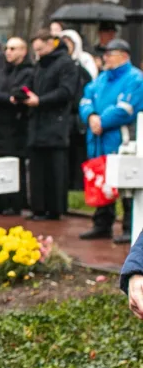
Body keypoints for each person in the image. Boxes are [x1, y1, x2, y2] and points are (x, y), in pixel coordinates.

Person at [78, 38, 143, 242]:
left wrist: (102, 121)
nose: (105, 57)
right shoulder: (101, 78)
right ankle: (102, 224)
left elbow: (126, 109)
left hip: (120, 138)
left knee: (125, 182)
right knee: (101, 178)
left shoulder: (135, 78)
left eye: (109, 53)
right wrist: (90, 117)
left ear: (124, 56)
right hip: (99, 138)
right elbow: (86, 99)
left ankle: (128, 226)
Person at [25, 29, 79, 221]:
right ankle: (38, 207)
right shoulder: (41, 64)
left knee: (54, 168)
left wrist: (40, 100)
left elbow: (66, 91)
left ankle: (54, 208)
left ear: (50, 43)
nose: (38, 53)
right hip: (37, 123)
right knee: (38, 168)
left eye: (40, 48)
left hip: (55, 123)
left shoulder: (65, 63)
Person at [0, 36, 35, 215]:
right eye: (7, 48)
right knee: (0, 161)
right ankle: (2, 201)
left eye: (13, 48)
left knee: (15, 163)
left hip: (17, 125)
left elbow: (17, 95)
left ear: (23, 51)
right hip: (0, 124)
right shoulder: (2, 70)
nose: (8, 52)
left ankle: (16, 202)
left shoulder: (28, 71)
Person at [61, 29, 97, 191]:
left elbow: (90, 83)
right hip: (64, 115)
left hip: (78, 114)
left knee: (79, 152)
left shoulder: (84, 62)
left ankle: (79, 185)